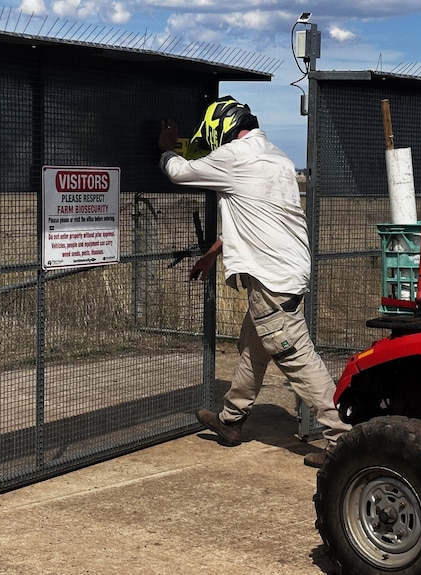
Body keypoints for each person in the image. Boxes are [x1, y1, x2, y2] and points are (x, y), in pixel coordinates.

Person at [157, 96, 351, 468]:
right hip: (288, 270)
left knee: (295, 355)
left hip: (271, 277)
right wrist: (215, 251)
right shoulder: (277, 158)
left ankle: (342, 437)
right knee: (253, 344)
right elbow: (258, 216)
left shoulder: (235, 157)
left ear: (221, 128)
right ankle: (231, 420)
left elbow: (179, 172)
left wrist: (167, 148)